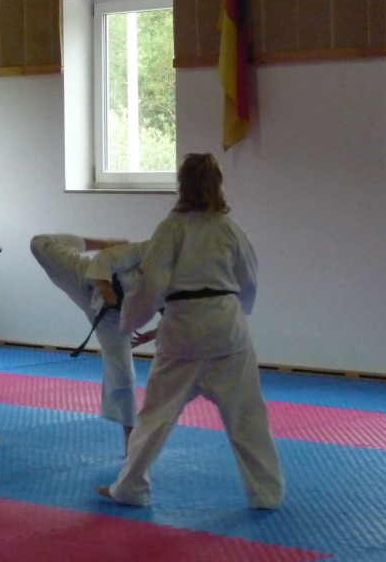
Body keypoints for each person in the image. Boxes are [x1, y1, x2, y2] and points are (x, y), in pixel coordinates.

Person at [96, 153, 285, 509]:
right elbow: (249, 280)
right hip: (227, 328)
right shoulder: (230, 228)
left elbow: (152, 284)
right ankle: (267, 494)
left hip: (183, 329)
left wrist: (129, 322)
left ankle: (131, 487)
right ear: (219, 185)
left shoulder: (172, 228)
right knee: (248, 418)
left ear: (181, 185)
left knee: (155, 417)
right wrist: (238, 312)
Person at [30, 234, 154, 452]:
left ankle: (130, 436)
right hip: (85, 280)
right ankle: (100, 241)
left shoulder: (183, 279)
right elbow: (104, 258)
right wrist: (104, 286)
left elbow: (177, 315)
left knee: (123, 373)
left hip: (114, 318)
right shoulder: (148, 248)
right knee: (40, 243)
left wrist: (151, 335)